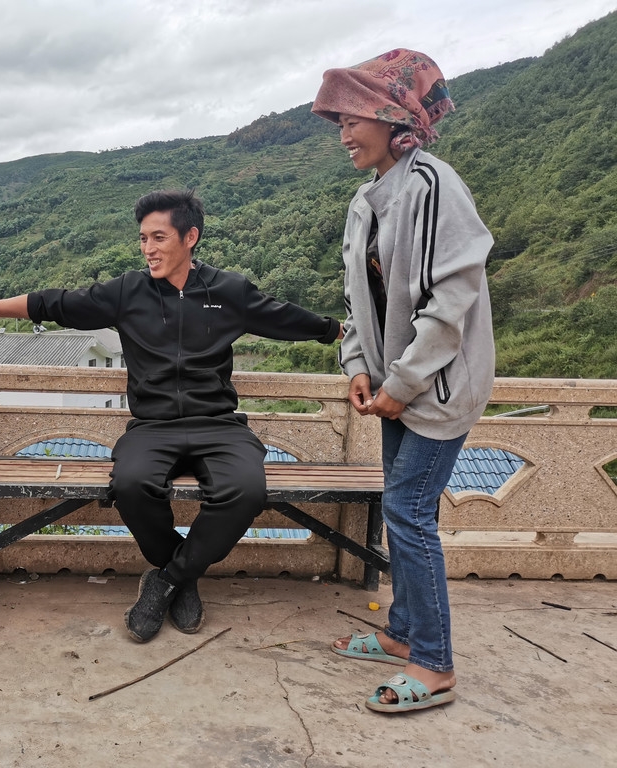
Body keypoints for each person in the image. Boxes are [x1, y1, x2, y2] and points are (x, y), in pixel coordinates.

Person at [0, 189, 342, 643]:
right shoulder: (128, 292)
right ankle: (183, 574)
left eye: (158, 237)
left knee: (246, 490)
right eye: (142, 239)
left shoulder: (229, 291)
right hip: (153, 427)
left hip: (218, 425)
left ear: (190, 237)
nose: (148, 248)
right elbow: (52, 303)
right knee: (131, 486)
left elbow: (294, 320)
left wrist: (350, 333)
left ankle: (166, 580)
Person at [312, 50, 495, 713]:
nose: (343, 134)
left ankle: (435, 664)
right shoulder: (368, 200)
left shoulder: (435, 185)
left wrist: (405, 381)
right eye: (340, 122)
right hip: (395, 386)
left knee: (409, 515)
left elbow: (453, 302)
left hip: (438, 388)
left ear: (395, 118)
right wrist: (358, 366)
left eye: (354, 119)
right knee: (400, 509)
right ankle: (401, 634)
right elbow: (357, 297)